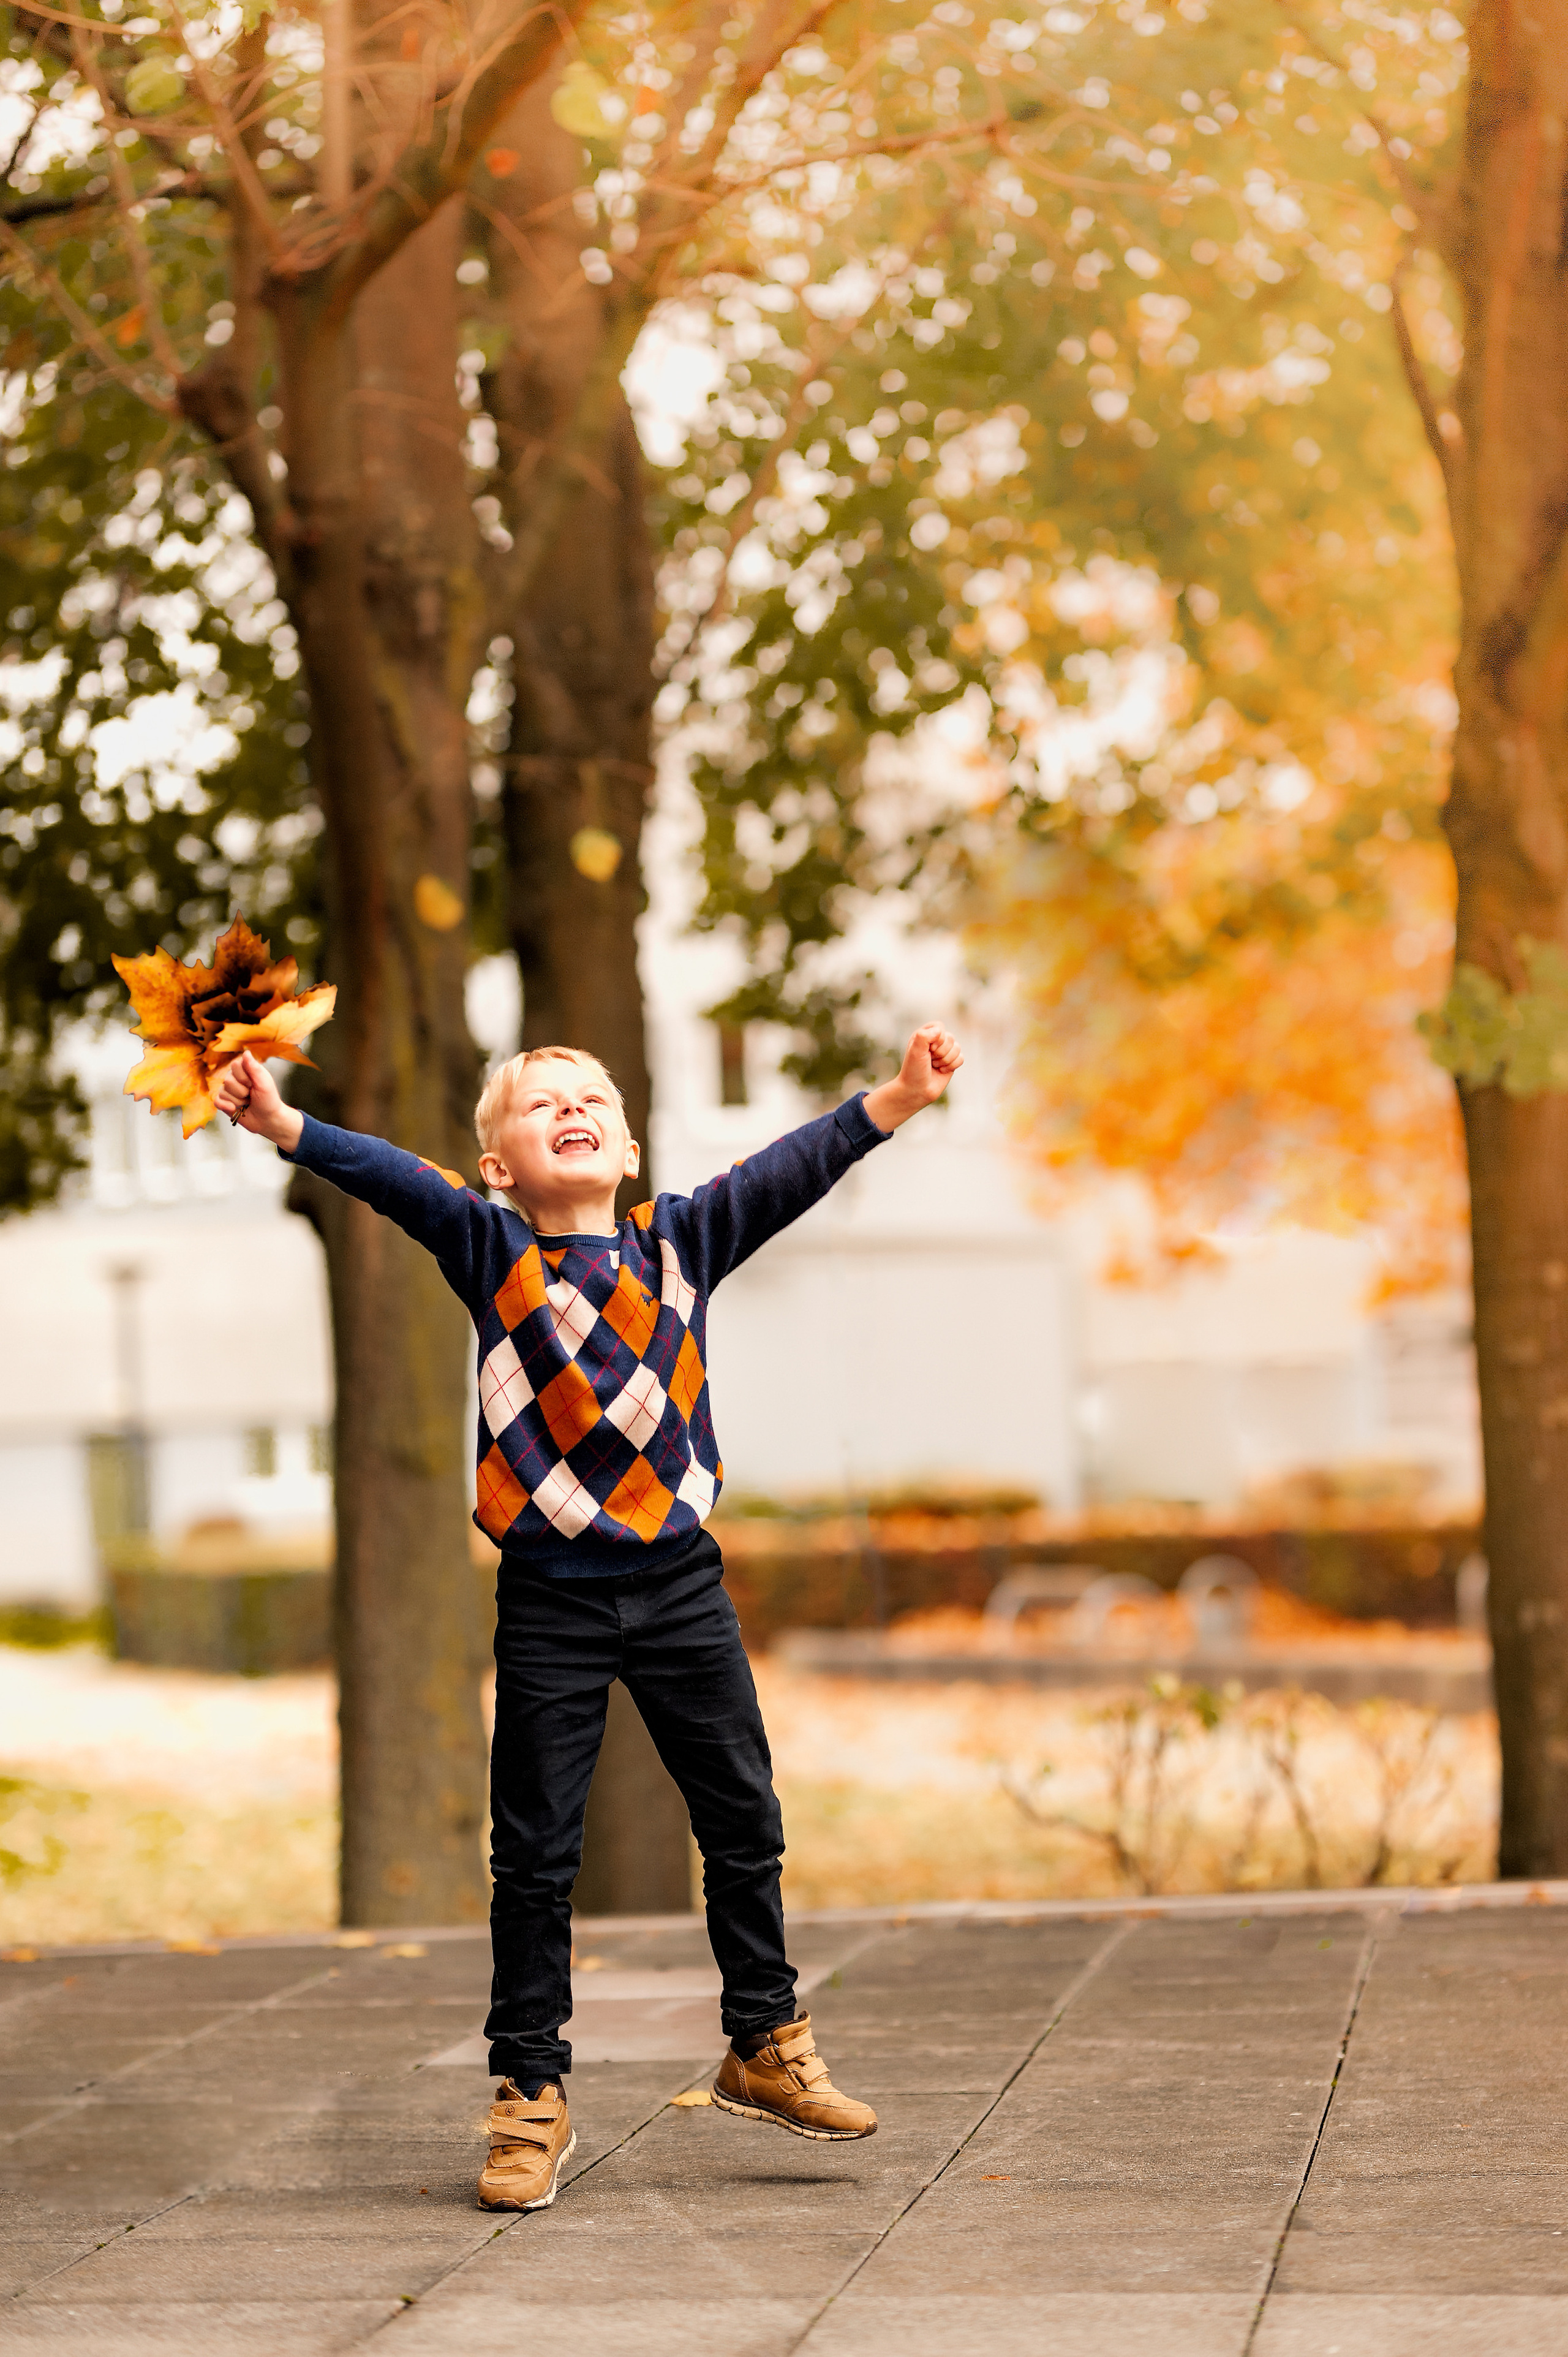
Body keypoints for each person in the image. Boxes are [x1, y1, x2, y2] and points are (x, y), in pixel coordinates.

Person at [214, 1020, 963, 2212]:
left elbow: (790, 1166)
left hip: (678, 1582)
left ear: (625, 1146)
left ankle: (763, 2042)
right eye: (536, 1101)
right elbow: (394, 1176)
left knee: (742, 1814)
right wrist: (283, 1126)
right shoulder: (490, 1245)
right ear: (500, 1165)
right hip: (551, 1596)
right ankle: (528, 2094)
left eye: (591, 1096)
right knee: (534, 1855)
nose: (569, 1105)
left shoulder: (683, 1241)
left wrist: (900, 1095)